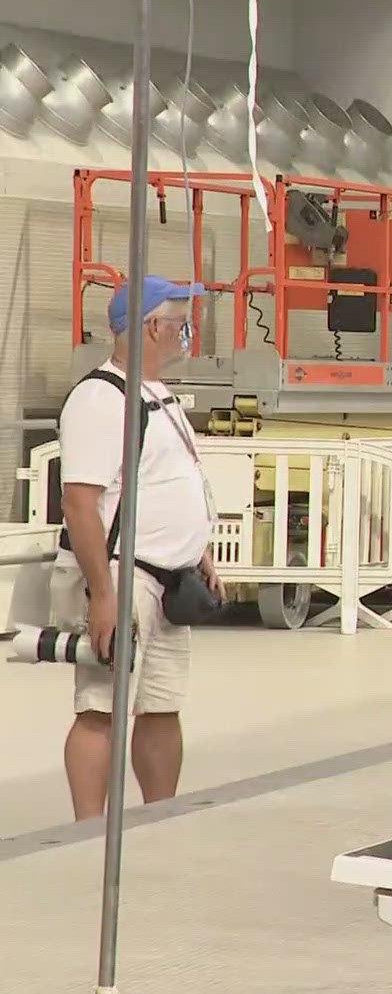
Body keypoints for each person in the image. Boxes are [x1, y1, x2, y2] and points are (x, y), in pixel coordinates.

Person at [52, 275, 219, 820]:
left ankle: (160, 822)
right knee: (102, 706)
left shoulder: (157, 395)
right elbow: (80, 503)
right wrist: (103, 595)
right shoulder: (101, 399)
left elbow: (165, 479)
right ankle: (88, 830)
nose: (187, 334)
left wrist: (198, 550)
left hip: (168, 580)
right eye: (180, 324)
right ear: (151, 326)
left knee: (161, 706)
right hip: (125, 577)